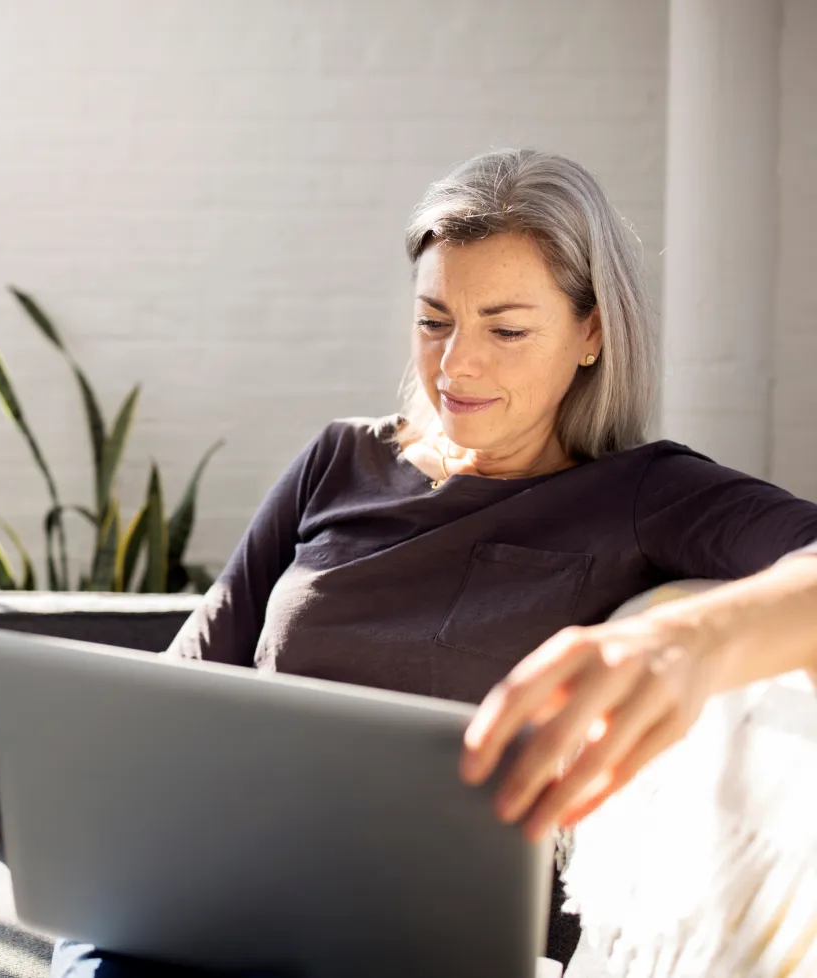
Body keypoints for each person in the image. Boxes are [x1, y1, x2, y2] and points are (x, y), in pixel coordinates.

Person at [50, 149, 817, 977]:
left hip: (413, 941)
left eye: (507, 329)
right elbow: (185, 684)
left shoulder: (642, 492)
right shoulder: (338, 459)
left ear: (591, 331)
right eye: (433, 320)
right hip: (218, 893)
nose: (457, 365)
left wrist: (688, 642)